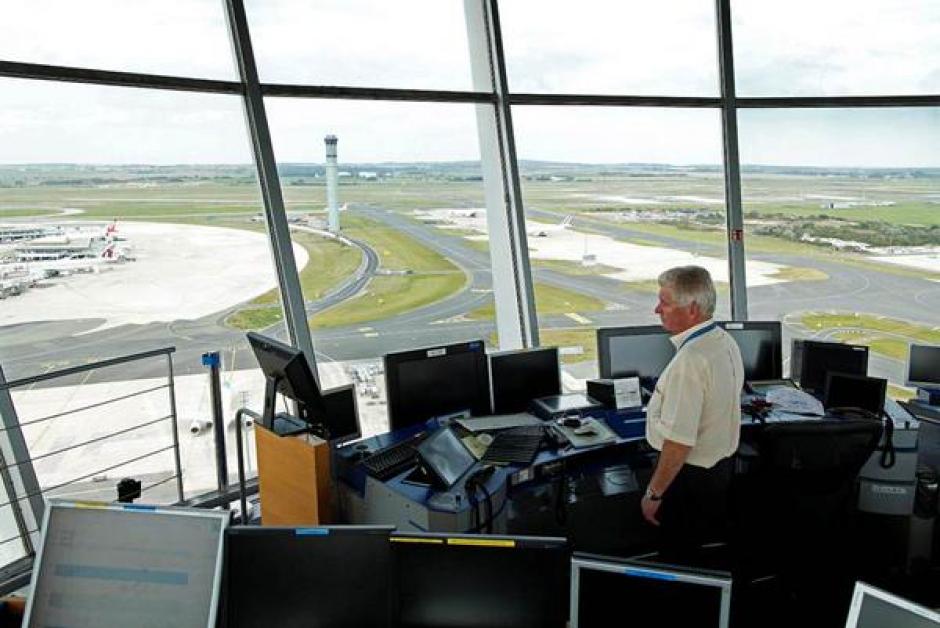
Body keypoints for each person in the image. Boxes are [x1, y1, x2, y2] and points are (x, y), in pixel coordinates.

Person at [641, 265, 744, 563]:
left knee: (677, 556)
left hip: (687, 479)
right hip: (717, 473)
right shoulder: (723, 341)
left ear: (693, 310)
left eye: (665, 302)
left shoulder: (691, 360)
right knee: (696, 549)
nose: (656, 309)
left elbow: (679, 442)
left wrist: (654, 494)